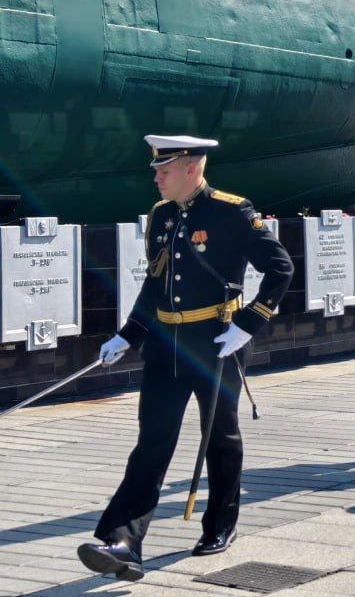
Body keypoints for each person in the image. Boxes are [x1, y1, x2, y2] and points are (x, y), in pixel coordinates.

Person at [80, 136, 293, 582]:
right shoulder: (161, 215)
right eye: (157, 170)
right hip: (166, 343)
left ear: (192, 168)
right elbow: (155, 282)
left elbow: (280, 268)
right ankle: (123, 542)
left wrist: (247, 324)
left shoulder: (232, 211)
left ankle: (220, 524)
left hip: (217, 340)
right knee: (152, 441)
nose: (157, 178)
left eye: (165, 170)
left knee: (220, 436)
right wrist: (128, 334)